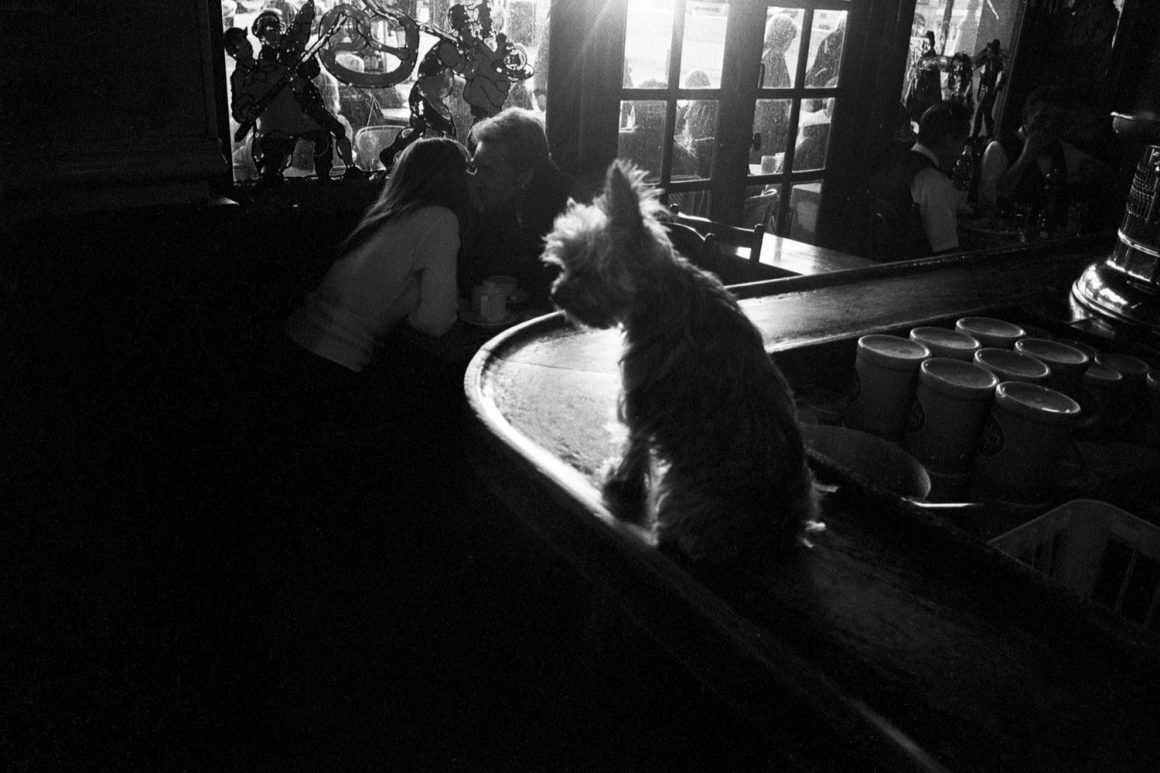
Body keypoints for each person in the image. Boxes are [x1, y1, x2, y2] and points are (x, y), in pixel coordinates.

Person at [284, 137, 471, 373]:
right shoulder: (440, 219)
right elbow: (436, 322)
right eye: (467, 169)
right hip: (334, 359)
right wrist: (409, 315)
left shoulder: (387, 214)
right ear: (452, 178)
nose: (472, 178)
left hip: (297, 339)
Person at [460, 107, 588, 306]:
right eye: (474, 168)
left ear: (523, 175)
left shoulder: (563, 214)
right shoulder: (507, 197)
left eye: (488, 171)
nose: (476, 181)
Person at [976, 85, 1109, 233]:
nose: (1048, 126)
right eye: (1043, 118)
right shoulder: (999, 148)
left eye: (1056, 121)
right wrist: (1024, 159)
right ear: (1026, 116)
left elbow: (1098, 171)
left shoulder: (1063, 151)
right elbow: (987, 204)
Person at [867, 100, 971, 259]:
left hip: (874, 266)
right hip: (912, 277)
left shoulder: (892, 163)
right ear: (948, 139)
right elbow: (947, 255)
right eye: (961, 144)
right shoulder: (933, 182)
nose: (960, 153)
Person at [225, 26, 327, 185]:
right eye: (240, 43)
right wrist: (249, 111)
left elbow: (298, 74)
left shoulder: (269, 65)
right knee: (271, 169)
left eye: (245, 40)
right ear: (233, 52)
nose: (247, 44)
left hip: (293, 118)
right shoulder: (239, 77)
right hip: (269, 127)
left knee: (322, 137)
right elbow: (240, 107)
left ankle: (324, 180)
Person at [972, 39, 1005, 139]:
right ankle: (991, 134)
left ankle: (975, 135)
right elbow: (983, 76)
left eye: (990, 51)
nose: (988, 53)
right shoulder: (989, 62)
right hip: (986, 90)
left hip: (990, 91)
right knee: (986, 113)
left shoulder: (997, 63)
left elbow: (998, 79)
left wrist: (993, 90)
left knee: (980, 112)